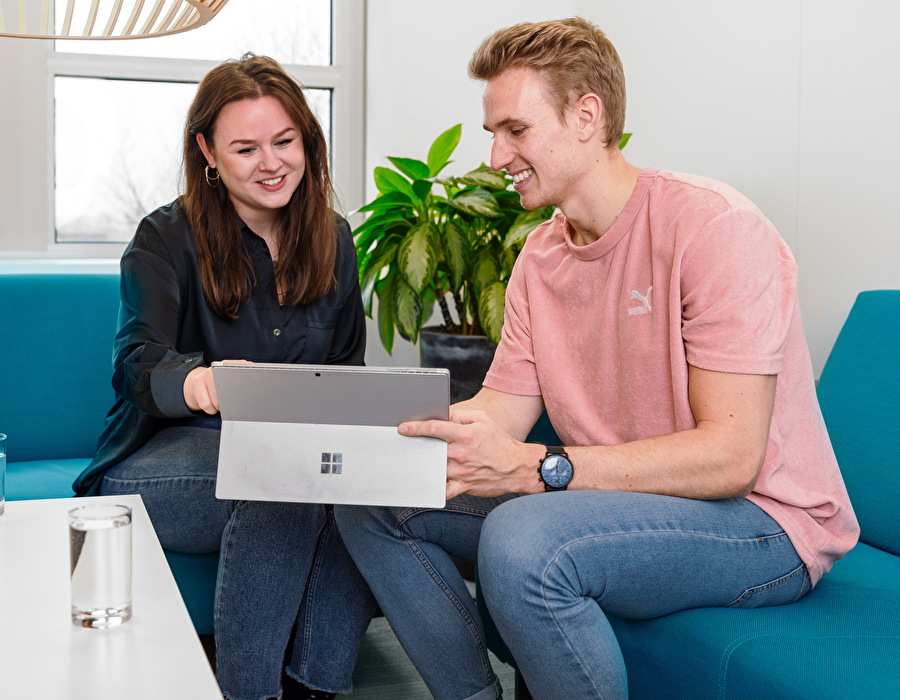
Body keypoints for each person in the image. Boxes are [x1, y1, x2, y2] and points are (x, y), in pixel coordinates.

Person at [334, 18, 860, 700]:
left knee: (527, 541)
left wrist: (539, 468)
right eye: (493, 132)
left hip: (764, 522)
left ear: (587, 116)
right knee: (372, 503)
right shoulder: (540, 257)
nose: (495, 157)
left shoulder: (714, 229)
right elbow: (500, 413)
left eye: (514, 130)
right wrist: (394, 441)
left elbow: (734, 458)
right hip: (616, 500)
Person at [73, 54, 376, 700]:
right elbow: (137, 364)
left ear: (308, 143)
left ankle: (314, 687)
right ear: (208, 152)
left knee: (354, 483)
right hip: (155, 464)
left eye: (285, 141)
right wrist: (199, 382)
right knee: (280, 473)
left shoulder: (335, 239)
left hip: (285, 459)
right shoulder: (164, 238)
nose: (271, 163)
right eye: (246, 148)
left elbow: (348, 372)